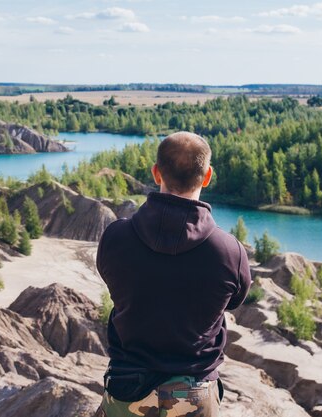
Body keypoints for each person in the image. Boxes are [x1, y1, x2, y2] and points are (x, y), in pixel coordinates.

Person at [94, 132, 252, 417]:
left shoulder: (115, 237)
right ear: (207, 177)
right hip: (195, 397)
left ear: (156, 173)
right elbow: (234, 301)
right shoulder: (230, 251)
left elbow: (111, 279)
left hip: (127, 389)